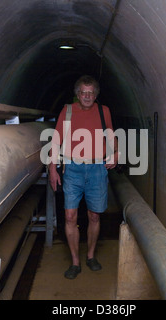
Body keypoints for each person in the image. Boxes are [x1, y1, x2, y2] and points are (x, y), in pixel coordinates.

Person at [48, 75, 119, 279]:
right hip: (72, 168)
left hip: (97, 168)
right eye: (83, 92)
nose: (87, 96)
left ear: (95, 94)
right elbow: (55, 140)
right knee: (70, 215)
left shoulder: (103, 111)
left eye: (91, 92)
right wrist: (53, 167)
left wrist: (115, 153)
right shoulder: (67, 110)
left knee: (94, 215)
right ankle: (75, 262)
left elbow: (111, 134)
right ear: (77, 94)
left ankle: (90, 256)